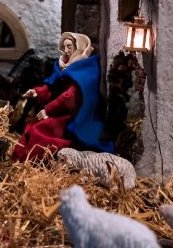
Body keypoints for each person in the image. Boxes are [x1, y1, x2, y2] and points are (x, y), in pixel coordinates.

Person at [11, 32, 113, 162]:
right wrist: (38, 92)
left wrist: (48, 110)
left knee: (41, 128)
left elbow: (69, 96)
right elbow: (53, 87)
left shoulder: (87, 68)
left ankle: (36, 158)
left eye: (69, 47)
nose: (65, 51)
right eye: (64, 47)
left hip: (74, 114)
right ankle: (24, 156)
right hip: (60, 110)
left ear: (79, 48)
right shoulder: (63, 65)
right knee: (36, 124)